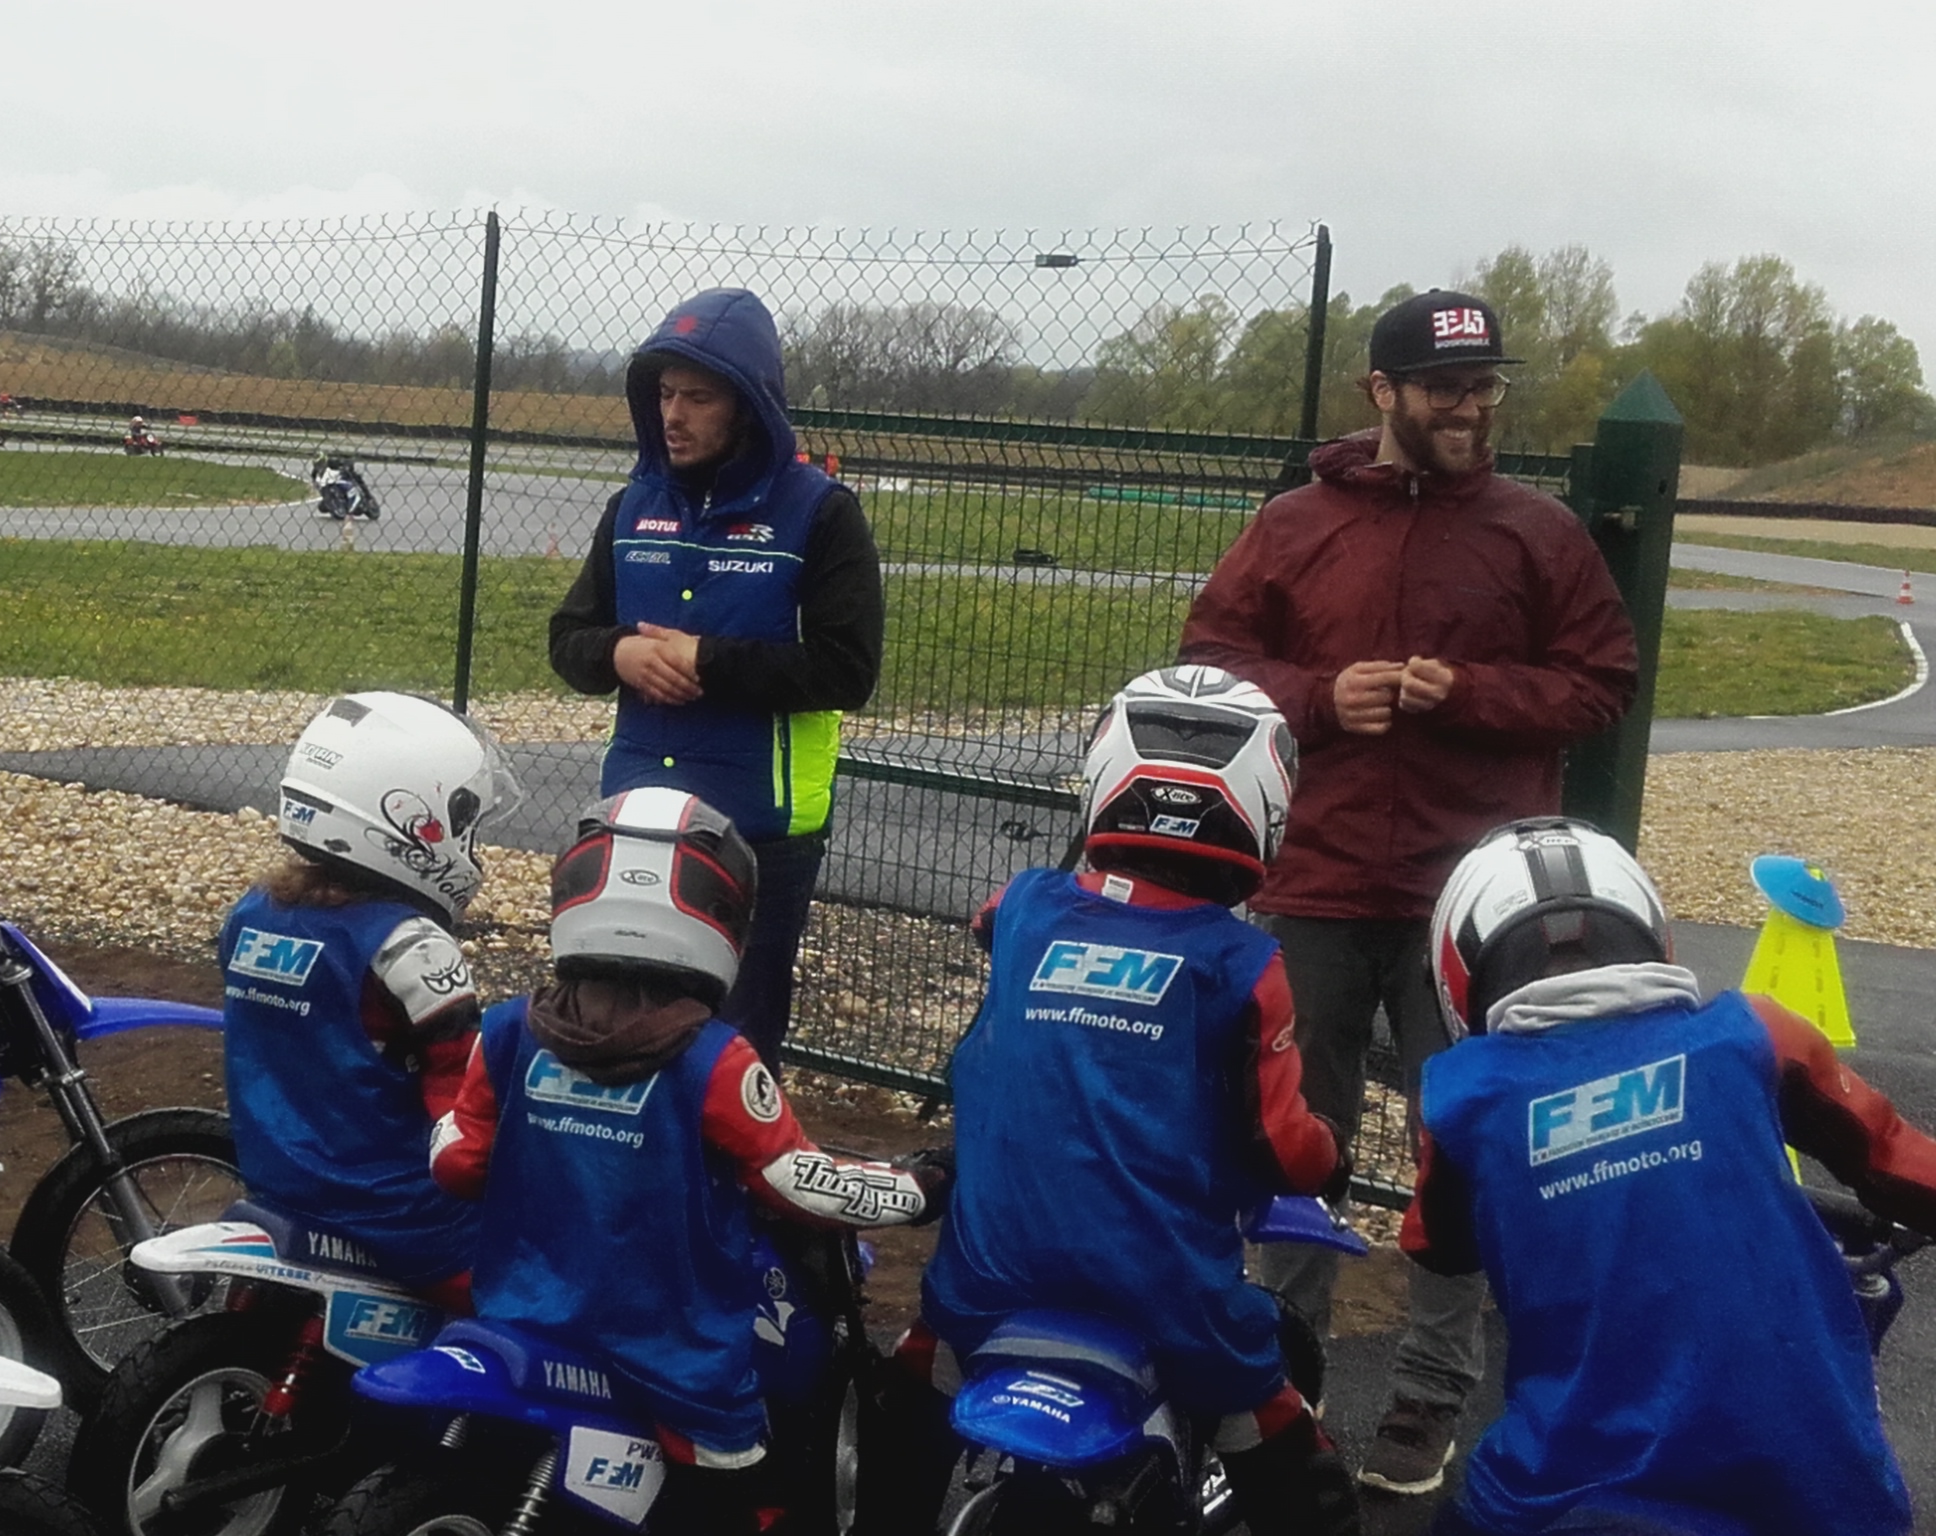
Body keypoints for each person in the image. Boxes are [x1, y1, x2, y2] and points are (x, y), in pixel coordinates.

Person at [1178, 288, 1638, 1495]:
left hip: (1476, 913)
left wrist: (1469, 691)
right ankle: (1284, 1379)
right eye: (1446, 389)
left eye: (1488, 386)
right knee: (1291, 1146)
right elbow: (1211, 667)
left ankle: (1427, 1400)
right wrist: (1327, 698)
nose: (1473, 408)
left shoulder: (1538, 535)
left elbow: (1600, 683)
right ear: (1383, 393)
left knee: (1465, 1153)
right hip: (1315, 883)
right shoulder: (1292, 526)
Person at [878, 666, 1359, 1536]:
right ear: (1265, 802)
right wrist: (1334, 1152)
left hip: (991, 1276)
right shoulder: (1243, 965)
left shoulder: (1023, 909)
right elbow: (1285, 1149)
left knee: (916, 1381)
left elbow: (989, 919)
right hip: (1162, 1290)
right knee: (1278, 1430)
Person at [432, 785, 944, 1533]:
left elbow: (456, 1164)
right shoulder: (715, 1061)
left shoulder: (509, 1032)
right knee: (744, 1496)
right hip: (671, 1355)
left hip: (521, 1316)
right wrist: (919, 1190)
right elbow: (800, 1184)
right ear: (717, 912)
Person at [1408, 818, 1936, 1536]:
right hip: (1812, 1479)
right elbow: (1895, 1160)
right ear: (1646, 927)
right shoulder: (1753, 1032)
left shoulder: (1461, 1099)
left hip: (1570, 1480)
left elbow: (1439, 1245)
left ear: (1461, 967)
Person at [546, 287, 883, 1073]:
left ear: (750, 405)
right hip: (631, 814)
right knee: (611, 1034)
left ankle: (727, 1194)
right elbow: (568, 639)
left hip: (759, 830)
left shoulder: (823, 514)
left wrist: (708, 660)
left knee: (729, 1052)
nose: (674, 414)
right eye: (663, 394)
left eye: (698, 396)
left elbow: (848, 669)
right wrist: (619, 654)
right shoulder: (632, 507)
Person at [217, 691, 521, 1305]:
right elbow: (461, 1106)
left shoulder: (252, 915)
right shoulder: (410, 947)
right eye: (464, 823)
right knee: (537, 1281)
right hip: (400, 1220)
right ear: (411, 820)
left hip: (278, 1183)